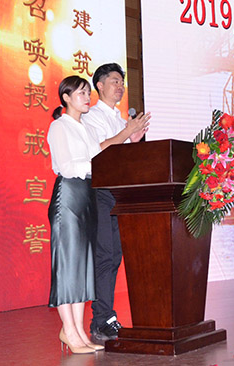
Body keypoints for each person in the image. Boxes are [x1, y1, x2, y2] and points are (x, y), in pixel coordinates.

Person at [47, 75, 144, 353]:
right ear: (66, 98)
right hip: (69, 195)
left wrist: (127, 140)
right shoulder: (59, 126)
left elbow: (99, 155)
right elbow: (68, 166)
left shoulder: (85, 128)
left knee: (82, 266)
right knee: (68, 265)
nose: (86, 97)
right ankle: (69, 329)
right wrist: (95, 164)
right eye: (81, 93)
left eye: (87, 92)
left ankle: (77, 331)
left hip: (88, 194)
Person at [81, 63, 150, 341]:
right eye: (114, 81)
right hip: (100, 191)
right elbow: (98, 153)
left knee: (114, 256)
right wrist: (126, 133)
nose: (120, 86)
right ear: (99, 85)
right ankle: (101, 320)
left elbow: (126, 158)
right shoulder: (92, 116)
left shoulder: (122, 120)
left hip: (120, 194)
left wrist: (134, 140)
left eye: (122, 82)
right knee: (104, 255)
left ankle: (105, 316)